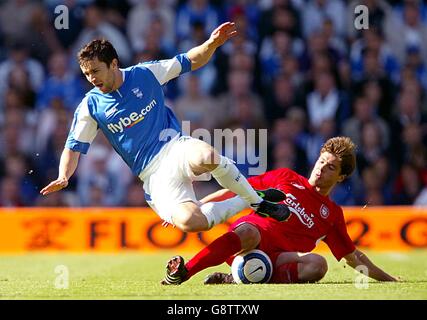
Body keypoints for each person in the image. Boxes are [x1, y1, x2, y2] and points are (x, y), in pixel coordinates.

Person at [40, 22, 290, 232]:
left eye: (95, 71)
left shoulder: (145, 74)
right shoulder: (90, 105)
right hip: (153, 174)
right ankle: (248, 198)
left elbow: (190, 60)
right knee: (192, 223)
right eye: (86, 74)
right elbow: (73, 148)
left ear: (113, 64)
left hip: (174, 146)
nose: (92, 78)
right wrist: (64, 176)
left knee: (208, 156)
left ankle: (256, 202)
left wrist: (211, 44)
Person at [161, 136, 399, 285]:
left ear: (341, 177)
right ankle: (184, 272)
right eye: (322, 161)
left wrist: (389, 279)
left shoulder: (333, 214)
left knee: (319, 265)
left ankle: (237, 278)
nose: (321, 169)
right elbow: (235, 188)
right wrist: (197, 205)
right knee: (251, 233)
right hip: (248, 240)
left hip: (278, 260)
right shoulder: (285, 177)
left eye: (331, 168)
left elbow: (352, 256)